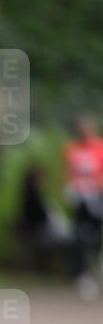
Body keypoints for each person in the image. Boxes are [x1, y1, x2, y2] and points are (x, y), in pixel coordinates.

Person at [63, 115, 103, 297]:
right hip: (80, 200)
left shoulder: (100, 148)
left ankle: (97, 271)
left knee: (95, 237)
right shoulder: (72, 149)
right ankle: (82, 274)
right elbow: (69, 172)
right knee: (81, 237)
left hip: (98, 197)